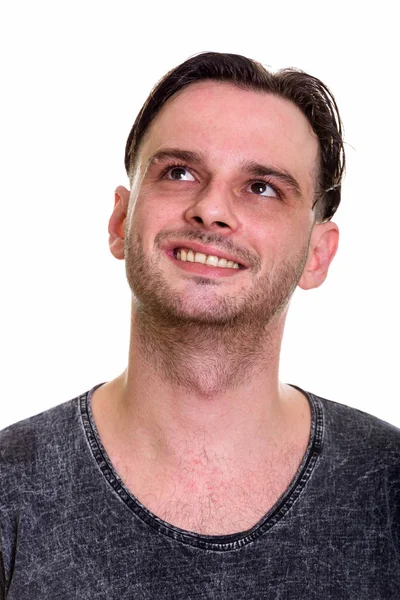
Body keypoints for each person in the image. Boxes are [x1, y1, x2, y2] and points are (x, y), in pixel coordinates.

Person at [1, 51, 399, 599]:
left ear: (318, 254)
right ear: (121, 220)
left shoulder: (389, 487)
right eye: (179, 172)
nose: (211, 209)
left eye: (262, 187)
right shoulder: (9, 488)